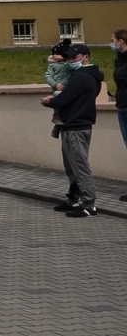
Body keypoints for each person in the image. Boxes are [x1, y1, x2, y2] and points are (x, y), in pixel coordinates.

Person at [43, 44, 103, 217]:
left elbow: (64, 99)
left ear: (85, 57)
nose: (70, 61)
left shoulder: (81, 77)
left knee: (79, 165)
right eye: (68, 58)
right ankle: (74, 198)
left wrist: (50, 102)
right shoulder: (89, 76)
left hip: (76, 126)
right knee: (72, 165)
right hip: (76, 124)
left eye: (74, 58)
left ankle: (89, 204)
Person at [44, 41, 73, 139]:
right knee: (59, 98)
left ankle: (60, 124)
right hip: (58, 89)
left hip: (69, 89)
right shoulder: (52, 65)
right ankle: (57, 119)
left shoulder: (69, 64)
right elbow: (48, 77)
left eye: (57, 54)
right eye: (53, 54)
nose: (55, 56)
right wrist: (55, 84)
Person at [113, 30, 127, 186]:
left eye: (113, 40)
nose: (112, 44)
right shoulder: (119, 59)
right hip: (122, 105)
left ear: (121, 41)